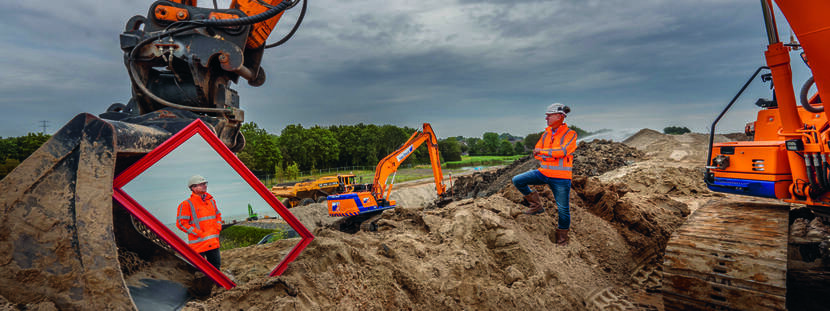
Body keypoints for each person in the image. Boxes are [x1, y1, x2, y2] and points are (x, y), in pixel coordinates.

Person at [512, 103, 578, 246]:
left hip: (561, 178)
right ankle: (536, 206)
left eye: (549, 115)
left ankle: (562, 239)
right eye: (546, 115)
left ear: (560, 116)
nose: (546, 118)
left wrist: (545, 153)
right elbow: (537, 152)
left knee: (563, 209)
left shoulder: (570, 134)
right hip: (543, 172)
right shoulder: (546, 134)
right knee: (517, 180)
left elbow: (563, 152)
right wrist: (550, 154)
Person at [176, 175, 223, 269]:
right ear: (193, 188)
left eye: (205, 183)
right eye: (201, 184)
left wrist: (218, 227)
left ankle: (216, 284)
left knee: (216, 268)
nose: (205, 186)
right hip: (198, 244)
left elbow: (218, 215)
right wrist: (199, 233)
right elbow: (181, 223)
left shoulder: (211, 201)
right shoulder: (186, 204)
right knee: (199, 270)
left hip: (213, 242)